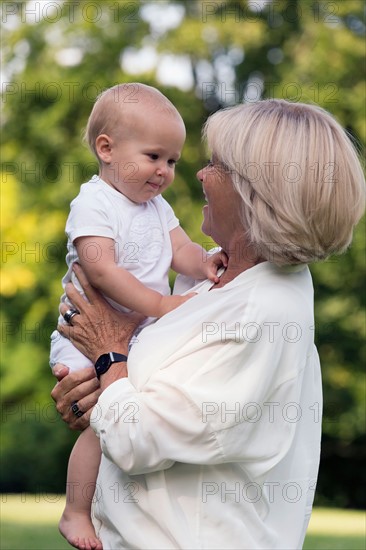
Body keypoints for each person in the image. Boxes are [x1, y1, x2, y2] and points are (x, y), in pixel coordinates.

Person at [52, 99, 365, 550]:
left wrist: (109, 353)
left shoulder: (264, 311)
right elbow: (138, 397)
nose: (198, 174)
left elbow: (139, 438)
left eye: (216, 165)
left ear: (256, 191)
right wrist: (88, 392)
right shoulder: (215, 283)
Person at [50, 82, 226, 550]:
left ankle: (126, 514)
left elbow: (182, 248)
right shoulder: (94, 203)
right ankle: (74, 511)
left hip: (138, 331)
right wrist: (163, 306)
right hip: (87, 333)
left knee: (132, 418)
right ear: (106, 149)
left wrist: (203, 261)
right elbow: (102, 271)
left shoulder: (156, 205)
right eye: (153, 156)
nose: (164, 171)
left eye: (172, 161)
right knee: (102, 424)